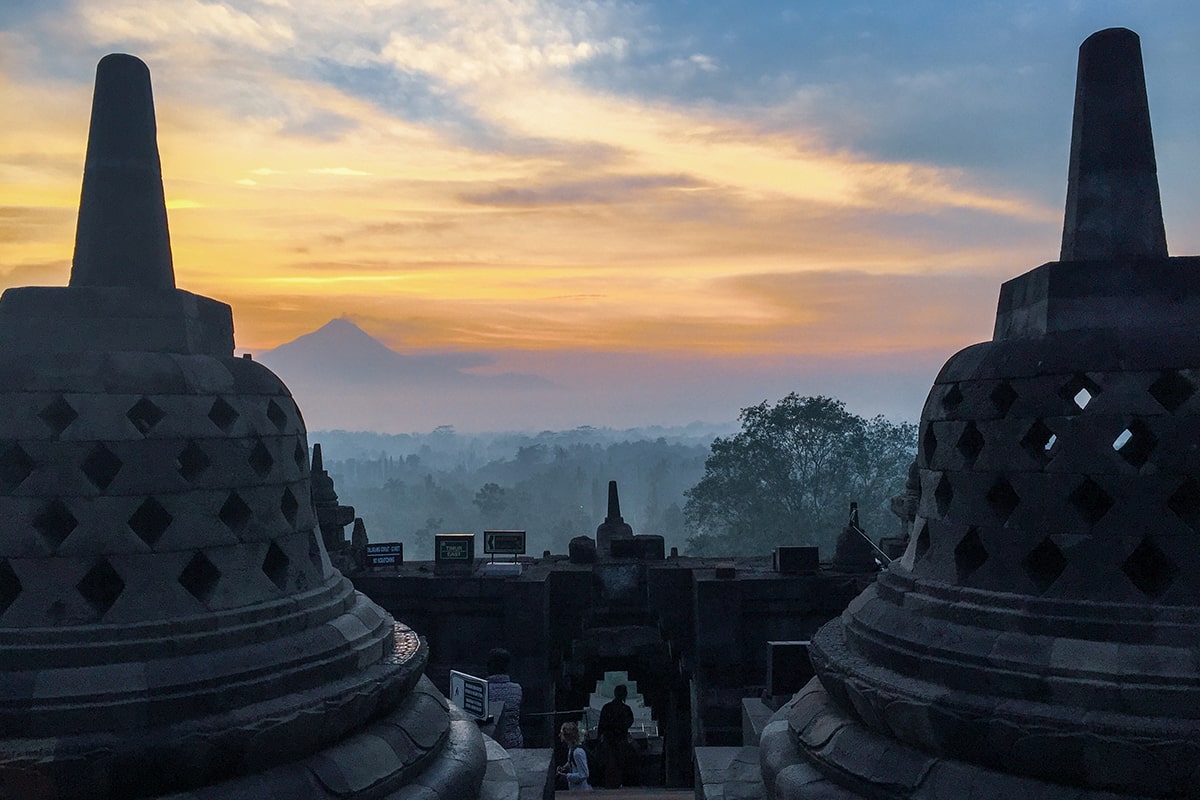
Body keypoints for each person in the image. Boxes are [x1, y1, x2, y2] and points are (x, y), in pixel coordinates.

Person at [597, 684, 635, 788]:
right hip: (620, 739)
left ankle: (610, 783)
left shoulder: (607, 708)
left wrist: (600, 737)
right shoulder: (626, 709)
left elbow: (601, 725)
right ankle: (619, 782)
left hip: (609, 739)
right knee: (620, 762)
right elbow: (629, 722)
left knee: (610, 763)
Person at [485, 648, 523, 749]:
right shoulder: (517, 689)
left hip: (488, 745)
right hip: (513, 743)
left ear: (488, 666)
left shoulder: (481, 690)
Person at [556, 721, 592, 792]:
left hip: (582, 791)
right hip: (575, 789)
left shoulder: (577, 752)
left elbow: (584, 774)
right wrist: (564, 767)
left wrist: (567, 776)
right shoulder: (572, 750)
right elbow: (572, 762)